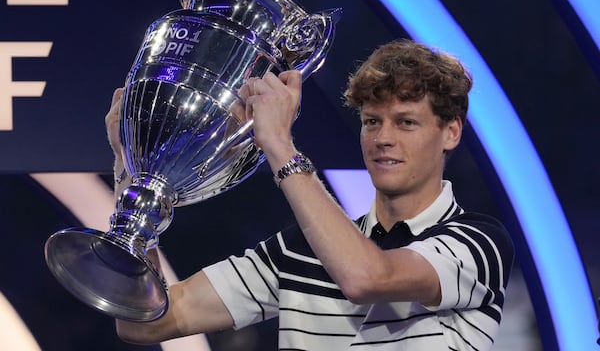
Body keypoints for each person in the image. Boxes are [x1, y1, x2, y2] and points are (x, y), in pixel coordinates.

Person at [107, 39, 514, 350]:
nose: (383, 138)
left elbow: (367, 278)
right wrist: (135, 178)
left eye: (406, 122)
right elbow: (144, 322)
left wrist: (280, 147)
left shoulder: (478, 242)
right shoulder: (298, 250)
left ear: (451, 132)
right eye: (372, 121)